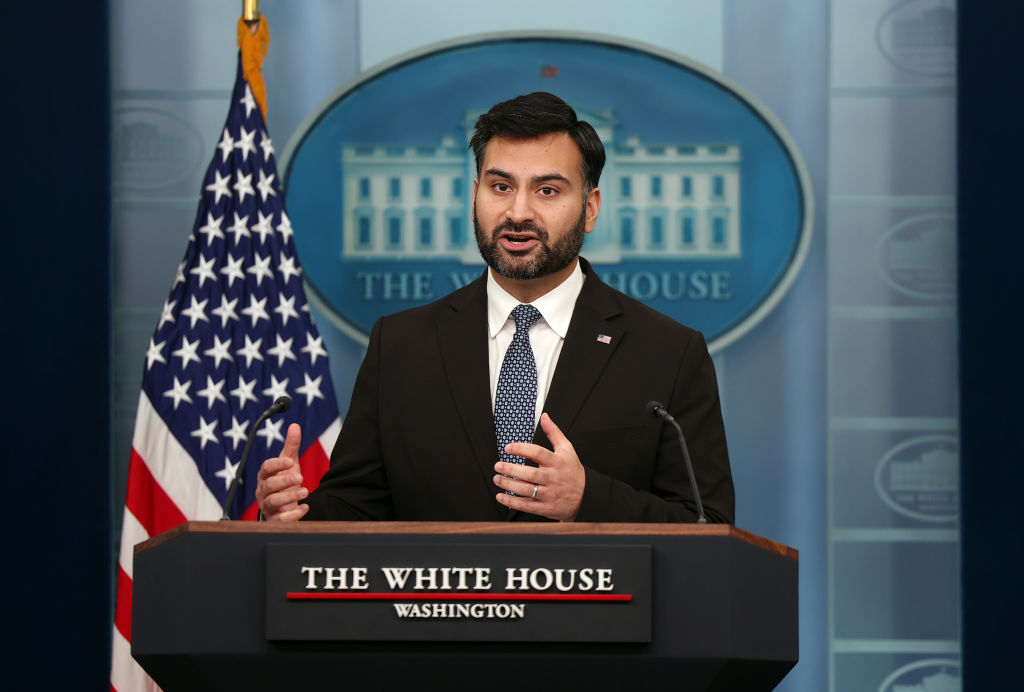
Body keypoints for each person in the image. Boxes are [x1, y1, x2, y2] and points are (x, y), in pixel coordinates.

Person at [256, 92, 734, 524]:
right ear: (474, 197)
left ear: (590, 209)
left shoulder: (668, 354)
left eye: (547, 190)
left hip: (597, 620)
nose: (518, 212)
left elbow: (707, 525)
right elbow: (357, 506)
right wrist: (296, 514)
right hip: (434, 620)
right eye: (500, 186)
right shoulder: (401, 345)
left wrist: (587, 498)